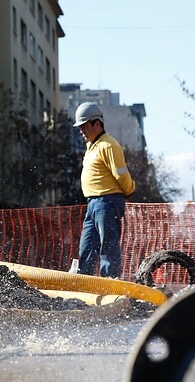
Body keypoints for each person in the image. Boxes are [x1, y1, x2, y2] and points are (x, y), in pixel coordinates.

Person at [73, 102, 135, 278]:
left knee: (107, 246)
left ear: (96, 123)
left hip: (107, 202)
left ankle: (110, 284)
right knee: (87, 247)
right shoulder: (93, 146)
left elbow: (122, 176)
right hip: (93, 203)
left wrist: (129, 190)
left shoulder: (108, 146)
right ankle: (85, 284)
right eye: (80, 127)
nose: (81, 131)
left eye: (84, 126)